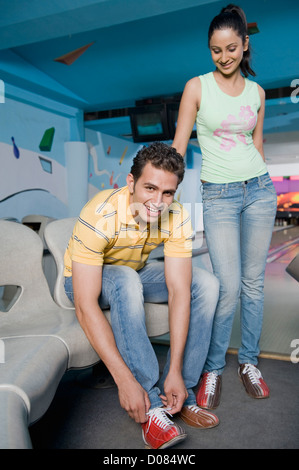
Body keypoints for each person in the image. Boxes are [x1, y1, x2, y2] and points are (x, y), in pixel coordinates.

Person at [63, 142, 220, 449]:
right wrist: (124, 380)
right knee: (123, 279)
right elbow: (84, 305)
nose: (158, 201)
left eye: (167, 193)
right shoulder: (100, 213)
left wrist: (173, 368)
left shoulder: (177, 216)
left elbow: (178, 290)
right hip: (84, 281)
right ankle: (150, 404)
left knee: (205, 284)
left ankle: (181, 391)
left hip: (134, 274)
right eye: (150, 188)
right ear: (131, 183)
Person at [172, 4, 277, 409]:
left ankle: (248, 362)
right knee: (228, 287)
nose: (224, 57)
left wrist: (264, 182)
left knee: (253, 285)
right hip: (218, 194)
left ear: (245, 44)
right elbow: (179, 148)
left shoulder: (258, 93)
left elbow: (259, 146)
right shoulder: (196, 87)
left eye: (232, 48)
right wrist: (167, 197)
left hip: (260, 191)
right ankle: (213, 368)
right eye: (216, 50)